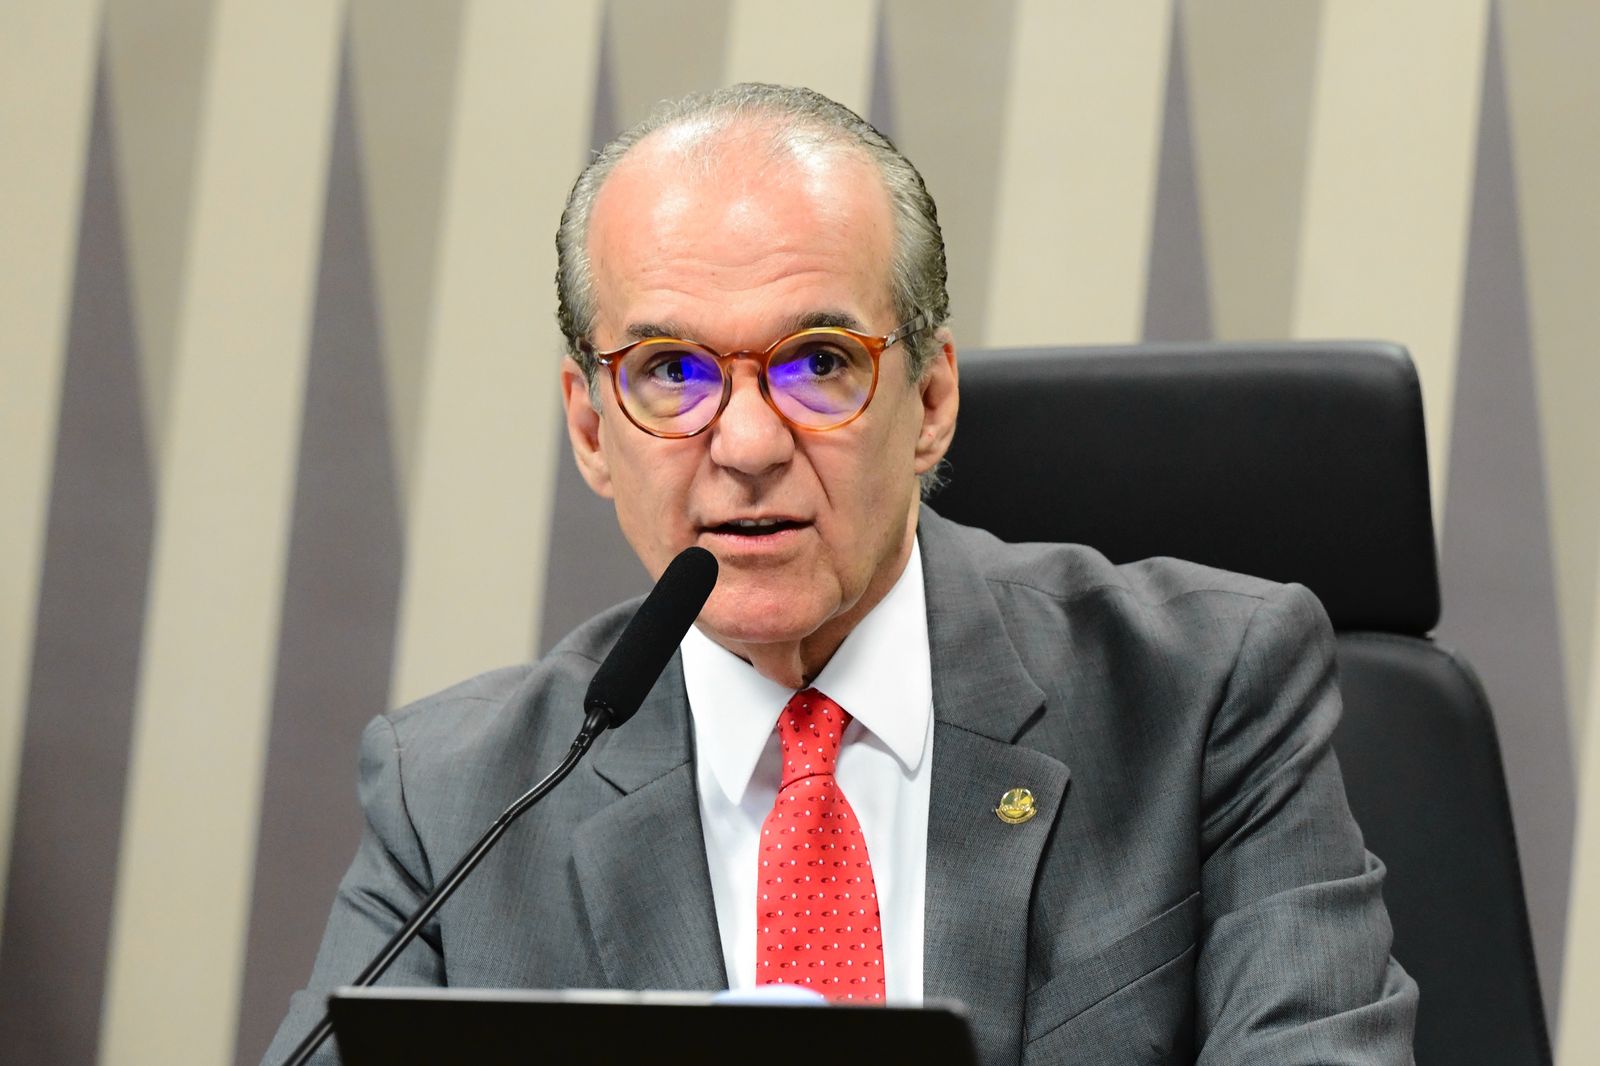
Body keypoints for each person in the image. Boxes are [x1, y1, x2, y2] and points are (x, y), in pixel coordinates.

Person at [265, 83, 1416, 1065]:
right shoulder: (456, 796)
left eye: (819, 363)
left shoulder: (1199, 694)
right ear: (588, 427)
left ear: (931, 399)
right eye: (669, 371)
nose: (747, 443)